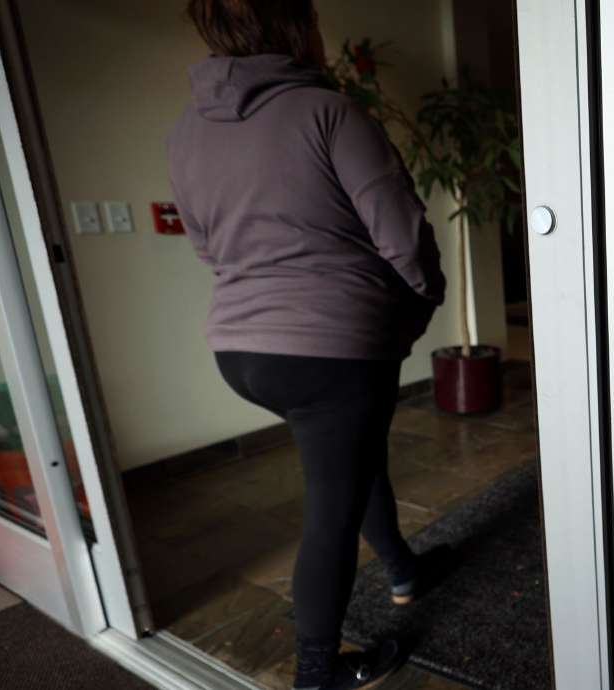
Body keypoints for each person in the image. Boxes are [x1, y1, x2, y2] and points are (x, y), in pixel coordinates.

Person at [168, 2, 446, 688]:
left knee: (351, 460)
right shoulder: (329, 112)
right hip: (332, 347)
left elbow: (206, 244)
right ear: (296, 29)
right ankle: (317, 673)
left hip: (240, 349)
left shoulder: (185, 131)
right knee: (331, 510)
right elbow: (402, 233)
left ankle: (405, 571)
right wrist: (421, 300)